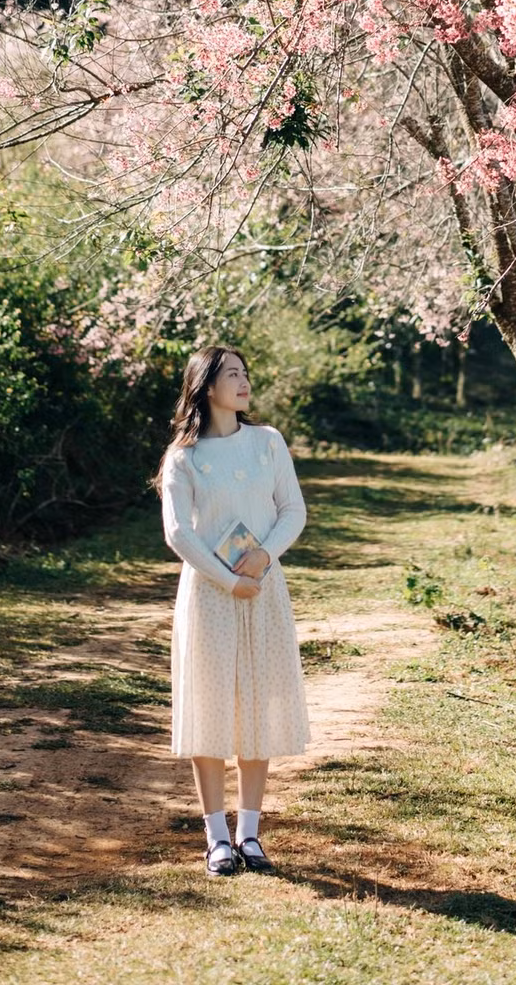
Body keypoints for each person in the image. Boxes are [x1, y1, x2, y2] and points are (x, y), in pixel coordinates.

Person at [156, 346, 310, 876]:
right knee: (211, 706)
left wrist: (264, 558)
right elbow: (178, 532)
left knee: (257, 707)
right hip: (209, 594)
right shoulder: (185, 456)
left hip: (264, 589)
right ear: (205, 386)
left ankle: (250, 834)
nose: (243, 382)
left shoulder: (268, 443)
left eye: (246, 373)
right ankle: (215, 838)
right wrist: (227, 580)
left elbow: (293, 509)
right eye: (232, 375)